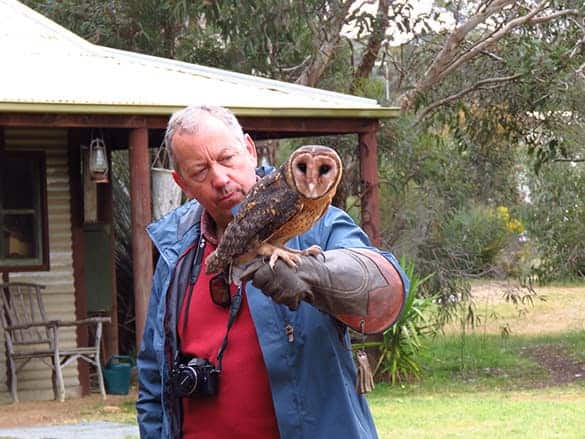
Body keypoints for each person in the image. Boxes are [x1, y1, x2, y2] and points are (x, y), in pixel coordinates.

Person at [136, 105, 409, 439]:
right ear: (182, 183)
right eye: (200, 171)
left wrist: (318, 275)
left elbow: (385, 285)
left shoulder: (319, 222)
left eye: (227, 158)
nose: (220, 178)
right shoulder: (175, 250)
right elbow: (153, 378)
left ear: (249, 151)